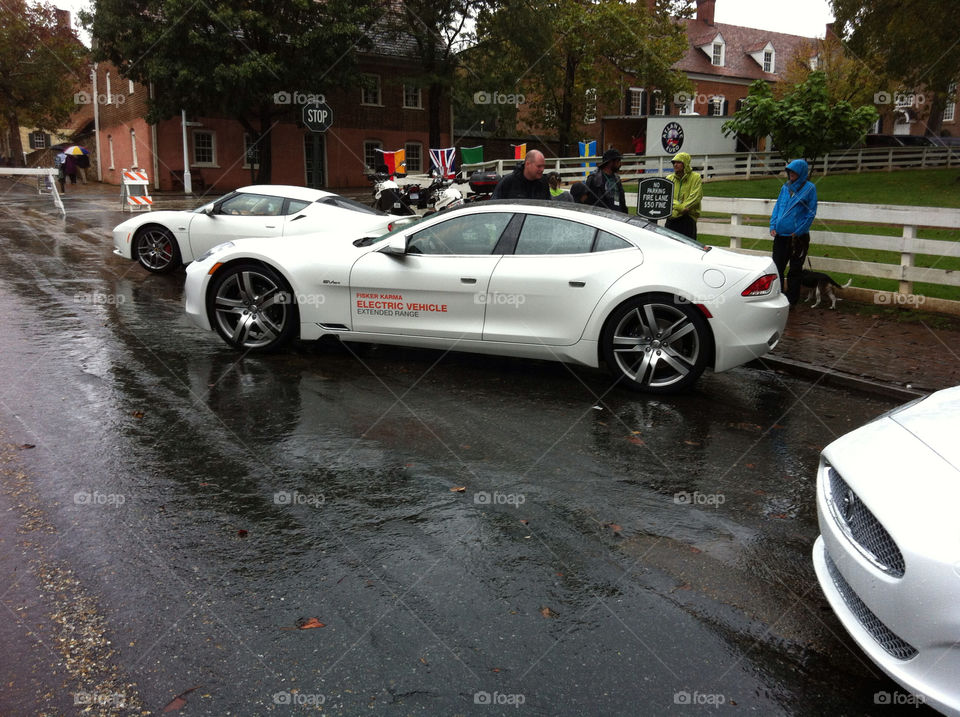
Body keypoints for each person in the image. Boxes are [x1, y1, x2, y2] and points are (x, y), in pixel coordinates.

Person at [770, 159, 818, 305]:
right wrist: (773, 225)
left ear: (801, 172)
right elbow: (778, 206)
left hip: (797, 238)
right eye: (789, 171)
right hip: (781, 236)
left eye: (794, 171)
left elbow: (811, 212)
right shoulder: (785, 187)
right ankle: (778, 297)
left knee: (795, 270)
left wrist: (799, 231)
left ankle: (792, 300)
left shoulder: (810, 189)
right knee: (777, 267)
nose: (791, 174)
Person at [664, 151, 703, 239]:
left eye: (678, 162)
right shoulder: (669, 179)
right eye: (674, 162)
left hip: (688, 218)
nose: (675, 165)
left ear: (685, 163)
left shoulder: (695, 177)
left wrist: (685, 208)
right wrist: (680, 208)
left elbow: (696, 196)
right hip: (671, 218)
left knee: (688, 248)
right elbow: (666, 197)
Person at [584, 148, 627, 213]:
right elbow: (587, 202)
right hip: (602, 218)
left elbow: (622, 201)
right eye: (618, 161)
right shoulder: (594, 179)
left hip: (618, 218)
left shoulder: (617, 179)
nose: (620, 164)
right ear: (610, 162)